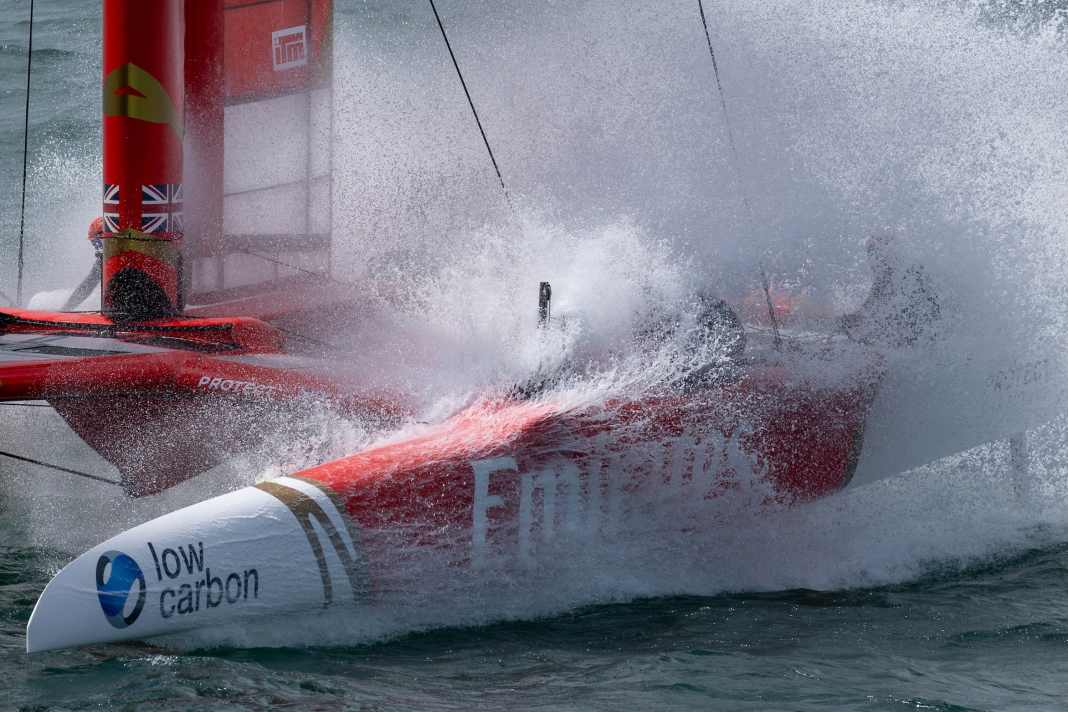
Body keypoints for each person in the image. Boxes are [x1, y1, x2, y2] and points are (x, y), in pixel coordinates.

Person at [840, 231, 940, 348]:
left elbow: (901, 324)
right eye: (870, 253)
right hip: (910, 337)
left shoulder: (911, 277)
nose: (872, 260)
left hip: (925, 340)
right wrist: (840, 322)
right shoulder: (884, 279)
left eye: (875, 253)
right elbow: (865, 314)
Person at [62, 217, 105, 310]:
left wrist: (66, 309)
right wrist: (66, 309)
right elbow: (86, 287)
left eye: (96, 242)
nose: (96, 246)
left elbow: (87, 286)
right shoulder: (102, 261)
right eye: (93, 243)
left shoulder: (107, 259)